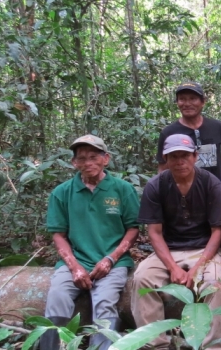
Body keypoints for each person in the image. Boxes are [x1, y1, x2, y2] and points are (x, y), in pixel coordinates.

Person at [42, 135, 139, 350]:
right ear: (74, 163)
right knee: (57, 297)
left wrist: (110, 259)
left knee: (105, 303)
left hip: (113, 261)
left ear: (106, 159)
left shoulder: (122, 189)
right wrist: (74, 267)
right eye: (81, 158)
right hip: (76, 260)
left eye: (94, 157)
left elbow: (133, 228)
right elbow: (58, 234)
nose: (88, 163)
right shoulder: (62, 193)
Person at [133, 134, 221, 349]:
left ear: (195, 156)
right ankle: (155, 345)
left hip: (205, 249)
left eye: (184, 155)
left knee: (215, 282)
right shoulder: (156, 186)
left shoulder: (210, 183)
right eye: (173, 156)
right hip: (170, 249)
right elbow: (155, 233)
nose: (179, 161)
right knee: (142, 278)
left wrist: (198, 266)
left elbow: (217, 231)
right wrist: (172, 267)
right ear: (166, 160)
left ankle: (212, 346)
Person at [156, 82, 221, 178]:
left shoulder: (216, 126)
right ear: (177, 102)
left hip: (216, 190)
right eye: (182, 99)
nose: (187, 103)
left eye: (193, 99)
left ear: (203, 102)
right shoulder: (168, 133)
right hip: (183, 191)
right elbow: (162, 169)